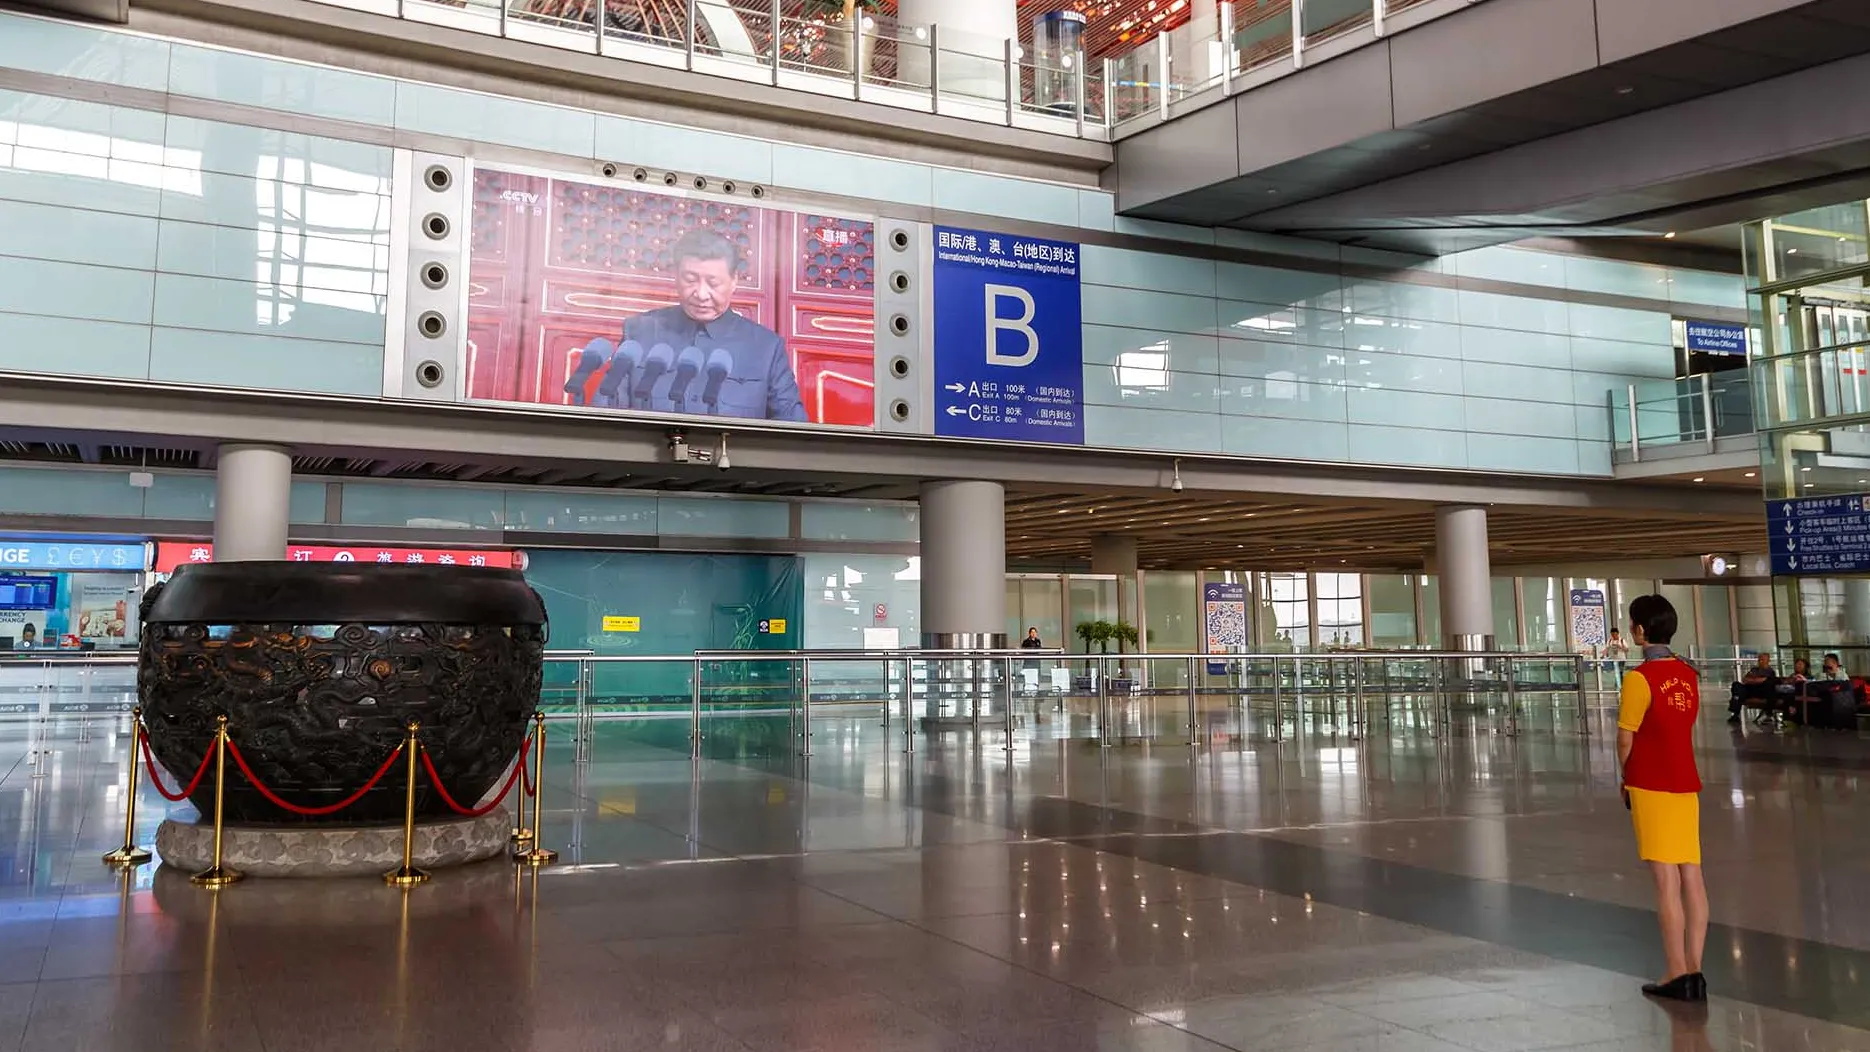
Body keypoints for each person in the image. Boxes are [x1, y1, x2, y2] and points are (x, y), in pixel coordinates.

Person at [595, 228, 806, 421]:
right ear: (676, 276)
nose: (701, 294)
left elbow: (793, 430)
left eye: (713, 283)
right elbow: (604, 415)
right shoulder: (640, 333)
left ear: (734, 280)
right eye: (690, 279)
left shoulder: (766, 348)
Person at [1617, 594, 1707, 1002]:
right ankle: (1695, 969)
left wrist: (1625, 775)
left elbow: (1626, 738)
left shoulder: (1639, 679)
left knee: (1665, 881)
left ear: (1639, 630)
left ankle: (1675, 971)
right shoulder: (1688, 675)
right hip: (1685, 782)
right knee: (1692, 874)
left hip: (1651, 784)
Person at [1726, 653, 1777, 723]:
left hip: (1760, 691)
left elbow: (1765, 681)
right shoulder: (1754, 669)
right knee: (1736, 685)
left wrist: (1753, 680)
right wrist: (1756, 680)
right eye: (1759, 660)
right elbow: (1745, 680)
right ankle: (1736, 707)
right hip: (1749, 689)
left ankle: (1736, 708)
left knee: (1739, 693)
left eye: (1762, 660)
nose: (1760, 661)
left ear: (1768, 661)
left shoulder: (1770, 671)